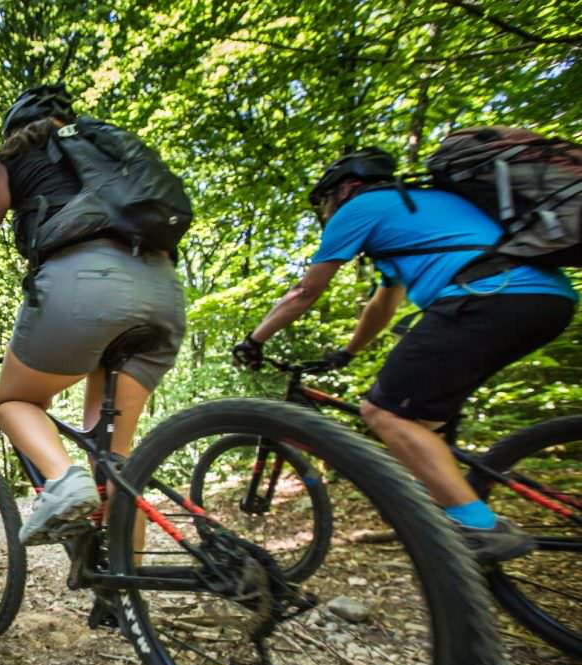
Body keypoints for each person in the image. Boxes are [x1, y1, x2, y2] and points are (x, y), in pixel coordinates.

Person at [234, 146, 577, 561]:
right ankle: (454, 515)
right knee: (423, 422)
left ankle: (477, 527)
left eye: (326, 200)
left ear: (347, 188)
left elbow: (305, 291)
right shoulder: (421, 207)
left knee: (385, 414)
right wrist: (346, 352)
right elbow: (383, 304)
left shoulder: (362, 208)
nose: (327, 210)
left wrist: (255, 339)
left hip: (489, 296)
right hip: (547, 298)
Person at [0, 84, 186, 547]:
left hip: (85, 283)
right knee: (113, 464)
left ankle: (62, 481)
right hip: (162, 289)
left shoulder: (15, 160)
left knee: (12, 401)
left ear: (13, 130)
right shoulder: (110, 155)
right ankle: (124, 598)